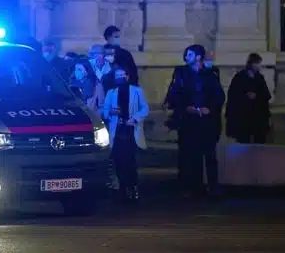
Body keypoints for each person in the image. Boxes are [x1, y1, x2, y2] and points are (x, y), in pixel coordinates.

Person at [164, 45, 225, 199]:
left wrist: (209, 109)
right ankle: (192, 187)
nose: (186, 57)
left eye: (190, 54)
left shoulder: (211, 74)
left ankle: (213, 186)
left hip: (207, 120)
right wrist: (183, 107)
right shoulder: (182, 72)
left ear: (198, 57)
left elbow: (218, 95)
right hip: (188, 119)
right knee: (190, 154)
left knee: (209, 154)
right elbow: (176, 92)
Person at [102, 65, 149, 202]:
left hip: (130, 129)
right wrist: (111, 112)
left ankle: (133, 187)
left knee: (131, 161)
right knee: (118, 160)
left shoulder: (137, 91)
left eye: (122, 75)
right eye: (117, 76)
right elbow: (105, 110)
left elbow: (145, 108)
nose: (120, 78)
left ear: (127, 76)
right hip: (117, 130)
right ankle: (121, 188)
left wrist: (134, 119)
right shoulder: (111, 92)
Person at [225, 53, 271, 144]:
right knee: (243, 141)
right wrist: (245, 96)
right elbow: (233, 94)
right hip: (243, 116)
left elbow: (266, 95)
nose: (259, 66)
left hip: (258, 115)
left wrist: (257, 96)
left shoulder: (259, 77)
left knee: (259, 141)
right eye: (257, 63)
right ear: (252, 63)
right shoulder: (239, 77)